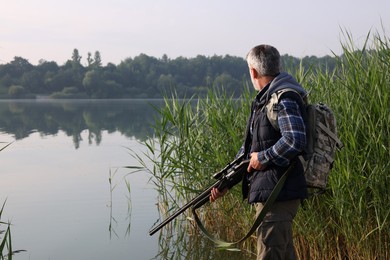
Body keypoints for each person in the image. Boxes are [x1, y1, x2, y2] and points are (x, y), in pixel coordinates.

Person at [210, 44, 308, 260]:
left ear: (253, 71)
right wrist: (226, 182)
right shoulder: (266, 100)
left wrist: (263, 158)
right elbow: (248, 153)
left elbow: (295, 140)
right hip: (274, 194)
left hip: (278, 195)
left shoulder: (283, 98)